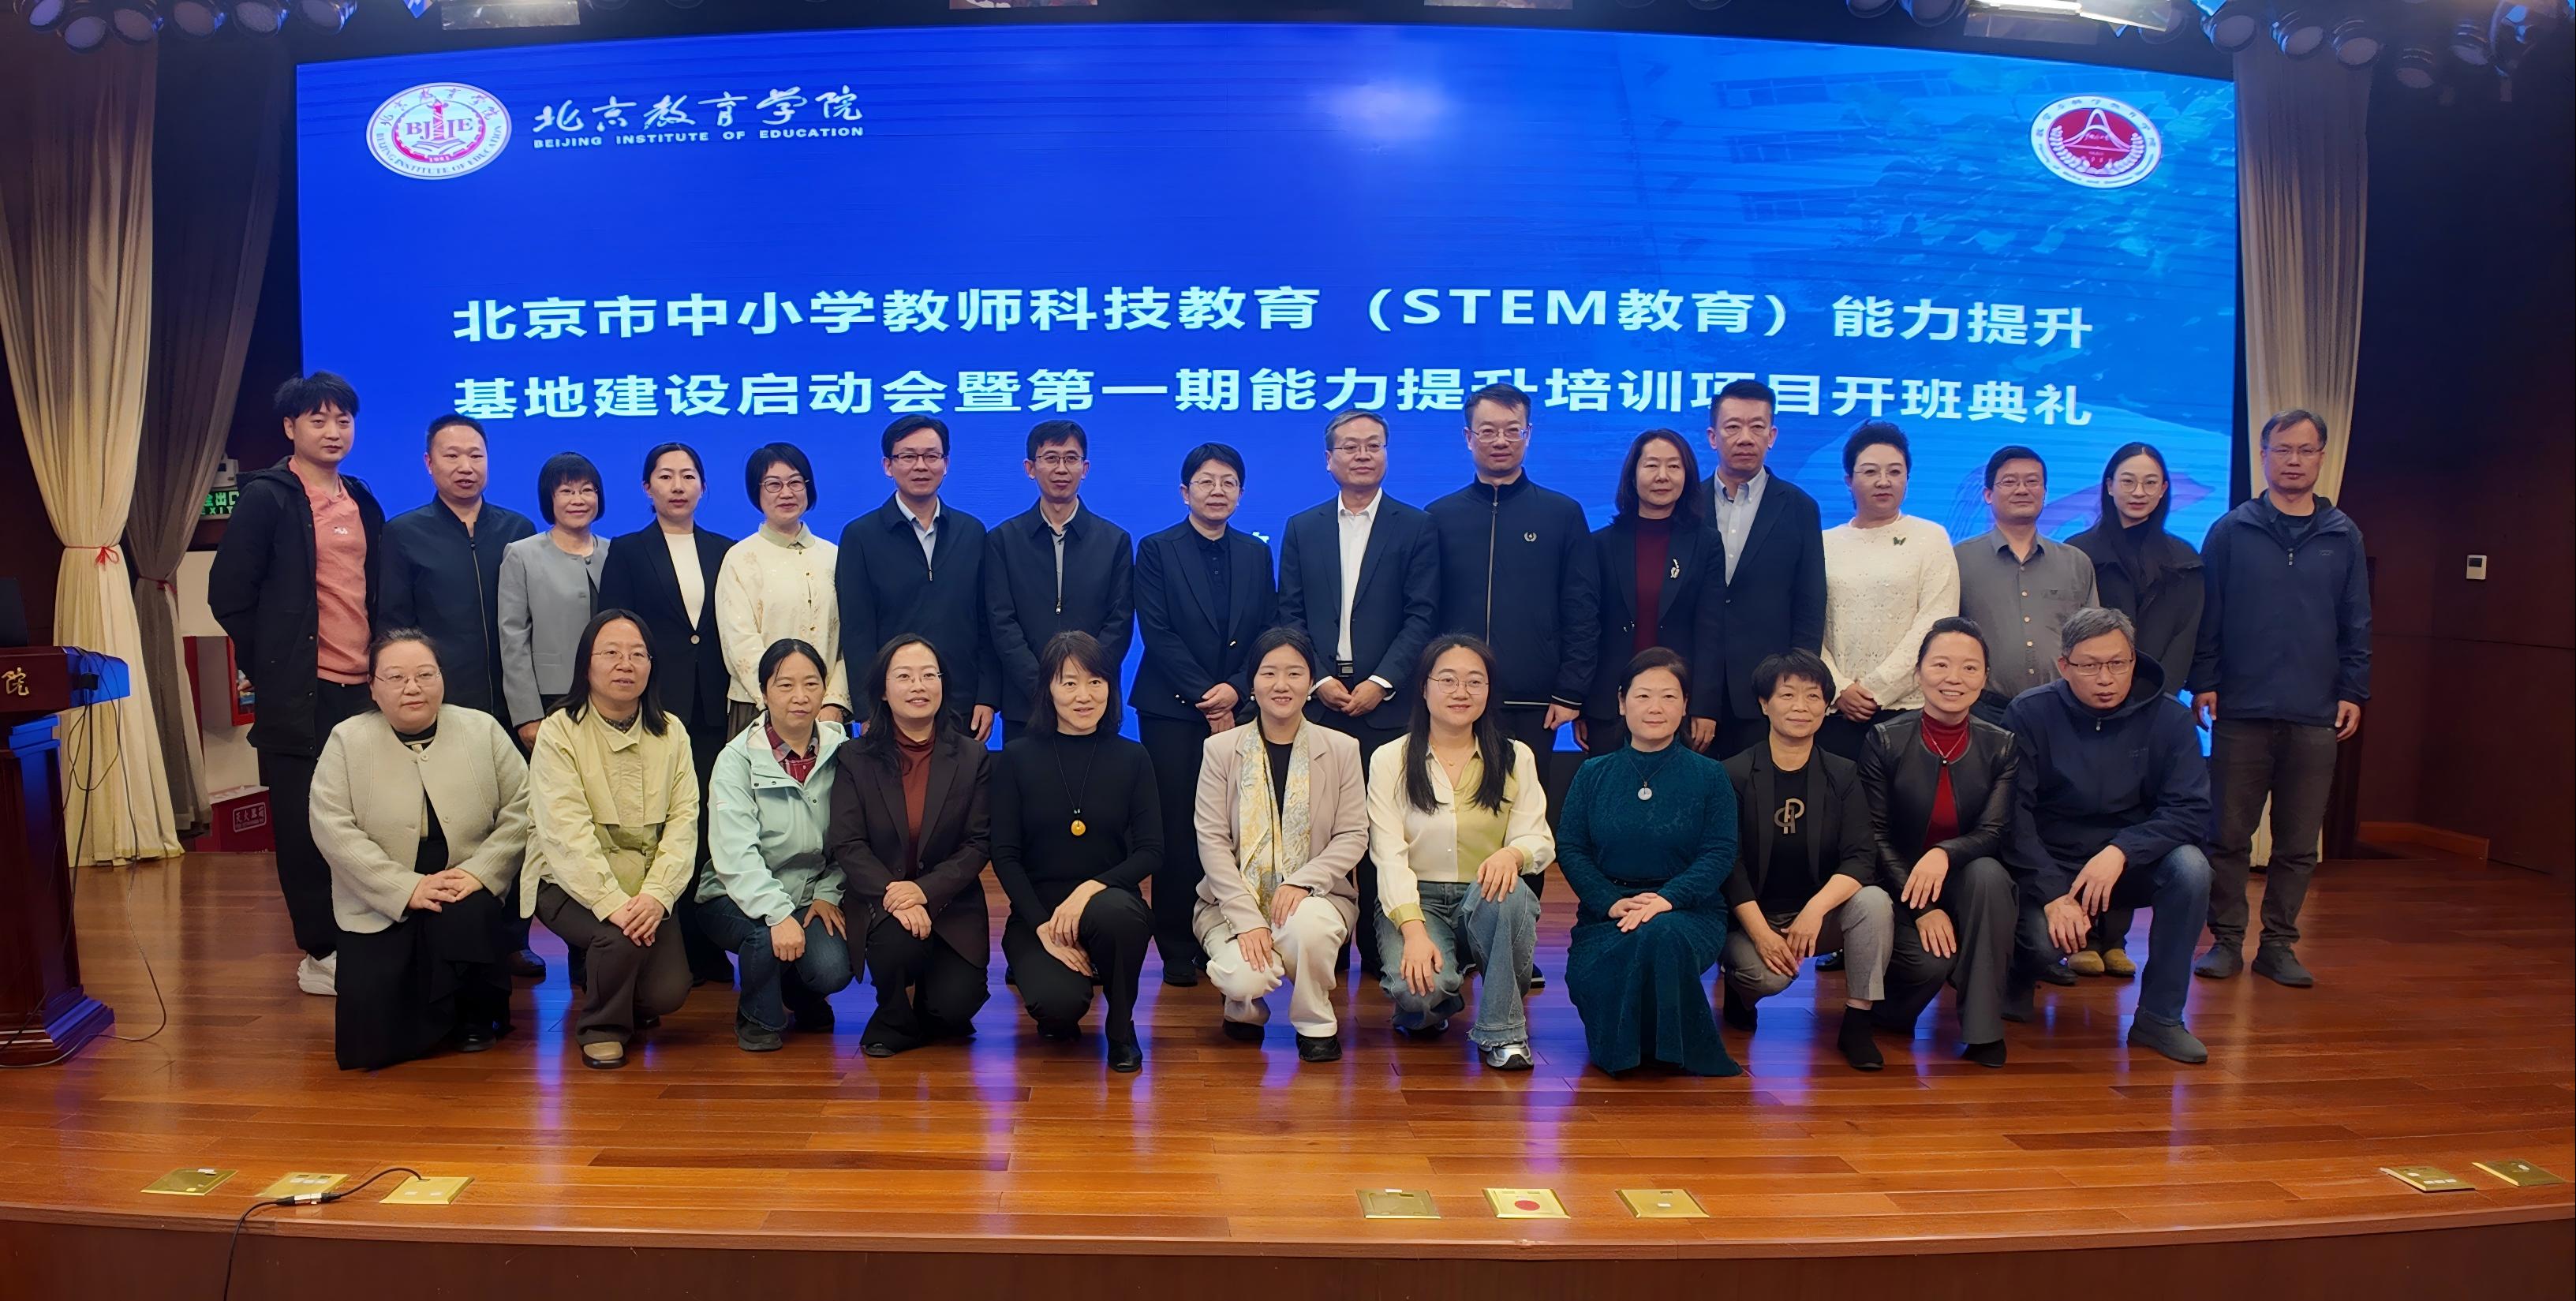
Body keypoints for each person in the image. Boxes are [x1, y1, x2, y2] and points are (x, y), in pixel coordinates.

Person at [208, 372, 387, 997]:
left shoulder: (361, 498)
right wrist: (278, 666)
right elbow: (229, 596)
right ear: (290, 427)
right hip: (301, 694)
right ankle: (320, 949)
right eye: (318, 419)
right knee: (305, 823)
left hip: (364, 690)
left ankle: (366, 935)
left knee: (366, 819)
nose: (333, 431)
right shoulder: (268, 498)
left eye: (343, 419)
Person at [2191, 409, 2370, 989]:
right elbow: (2208, 614)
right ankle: (2224, 941)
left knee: (2297, 842)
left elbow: (2356, 622)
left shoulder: (2342, 534)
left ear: (2321, 457)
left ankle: (2278, 945)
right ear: (2263, 455)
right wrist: (2205, 679)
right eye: (2282, 449)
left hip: (2315, 711)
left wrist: (2353, 689)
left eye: (2305, 450)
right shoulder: (2231, 530)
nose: (2293, 460)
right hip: (2240, 709)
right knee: (2227, 836)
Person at [1426, 383, 1596, 985]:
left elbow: (1581, 608)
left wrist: (1570, 689)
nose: (1499, 440)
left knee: (1522, 826)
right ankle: (1453, 938)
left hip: (1534, 702)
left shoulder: (1561, 513)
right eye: (1487, 430)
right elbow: (1424, 611)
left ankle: (1514, 946)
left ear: (1528, 434)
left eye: (1511, 429)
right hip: (1453, 703)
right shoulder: (1439, 516)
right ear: (1467, 436)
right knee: (1452, 820)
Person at [309, 630, 530, 1070]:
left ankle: (472, 1018)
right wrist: (404, 888)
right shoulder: (347, 740)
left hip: (462, 878)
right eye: (396, 677)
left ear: (442, 679)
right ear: (372, 687)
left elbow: (523, 808)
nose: (413, 687)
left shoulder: (482, 729)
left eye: (425, 675)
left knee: (470, 915)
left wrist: (481, 872)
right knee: (371, 1035)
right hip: (380, 891)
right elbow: (331, 826)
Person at [2005, 607, 2215, 1064]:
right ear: (2064, 665)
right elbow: (2012, 815)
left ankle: (2160, 1018)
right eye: (2089, 666)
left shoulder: (2170, 718)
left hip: (2127, 862)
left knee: (2191, 869)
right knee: (2043, 942)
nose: (2106, 678)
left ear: (2134, 660)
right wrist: (2053, 893)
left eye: (2118, 663)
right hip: (2051, 861)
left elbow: (2191, 809)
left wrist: (2122, 850)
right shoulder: (2029, 713)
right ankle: (2016, 975)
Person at [1273, 408, 1441, 978]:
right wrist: (1318, 678)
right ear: (1329, 459)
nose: (1362, 454)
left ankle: (1377, 948)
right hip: (1318, 703)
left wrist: (1380, 681)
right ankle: (1322, 943)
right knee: (1317, 828)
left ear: (1386, 454)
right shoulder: (1302, 527)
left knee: (1381, 830)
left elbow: (1422, 616)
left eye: (1373, 445)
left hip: (1386, 705)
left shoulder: (1415, 526)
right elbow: (1290, 613)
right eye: (1349, 446)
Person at [522, 610, 700, 1070]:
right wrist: (611, 903)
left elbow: (684, 822)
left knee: (667, 993)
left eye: (638, 654)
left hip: (645, 885)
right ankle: (601, 1027)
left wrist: (657, 896)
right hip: (566, 881)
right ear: (586, 664)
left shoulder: (672, 731)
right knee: (617, 938)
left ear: (651, 666)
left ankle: (611, 977)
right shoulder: (559, 730)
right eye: (611, 653)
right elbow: (565, 833)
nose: (626, 664)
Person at [1367, 635, 1551, 1071]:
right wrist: (1414, 932)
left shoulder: (1515, 757)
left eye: (1474, 681)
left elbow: (1539, 838)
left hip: (1486, 896)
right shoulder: (1390, 759)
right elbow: (1388, 856)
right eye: (1447, 680)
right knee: (1420, 993)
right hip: (1419, 899)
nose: (1461, 692)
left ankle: (1504, 1034)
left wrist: (1513, 855)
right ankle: (1439, 996)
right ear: (1424, 688)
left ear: (1488, 691)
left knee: (1510, 893)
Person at [1560, 647, 1742, 1078]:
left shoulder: (1710, 776)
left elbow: (1719, 851)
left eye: (1669, 697)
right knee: (1601, 965)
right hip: (1608, 910)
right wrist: (1608, 901)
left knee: (1660, 934)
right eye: (1643, 696)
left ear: (1685, 706)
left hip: (1688, 911)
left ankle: (1662, 1050)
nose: (1655, 707)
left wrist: (1667, 899)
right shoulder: (1592, 774)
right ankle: (1631, 1045)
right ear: (1622, 703)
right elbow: (1570, 847)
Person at [1134, 443, 1277, 984]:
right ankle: (1175, 943)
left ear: (1240, 493)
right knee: (1178, 827)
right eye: (1206, 482)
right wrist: (1206, 695)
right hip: (1172, 713)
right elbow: (1157, 631)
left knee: (1235, 828)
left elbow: (1267, 630)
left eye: (1228, 482)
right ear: (1184, 491)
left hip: (1241, 709)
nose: (1217, 491)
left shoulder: (1256, 553)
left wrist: (1236, 690)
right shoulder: (1156, 549)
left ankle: (1225, 932)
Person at [598, 442, 738, 988]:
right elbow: (614, 627)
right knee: (661, 822)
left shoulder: (725, 550)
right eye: (665, 476)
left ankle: (708, 944)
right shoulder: (628, 550)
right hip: (657, 704)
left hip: (714, 705)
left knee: (706, 822)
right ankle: (666, 941)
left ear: (703, 486)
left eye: (688, 475)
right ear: (646, 487)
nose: (677, 486)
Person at [1193, 627, 1367, 1063]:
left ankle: (1315, 1020)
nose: (1281, 684)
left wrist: (1303, 882)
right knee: (1244, 978)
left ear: (1311, 683)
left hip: (1317, 898)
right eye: (1269, 673)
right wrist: (1247, 918)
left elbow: (1353, 834)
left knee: (1307, 925)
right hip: (1231, 901)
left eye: (1294, 673)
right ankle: (1243, 1007)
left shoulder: (1342, 748)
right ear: (1252, 683)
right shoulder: (1220, 750)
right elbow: (1212, 841)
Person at [990, 631, 1160, 1072]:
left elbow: (1151, 851)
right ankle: (1059, 987)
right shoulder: (1015, 758)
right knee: (1057, 1007)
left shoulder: (1134, 758)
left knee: (1118, 915)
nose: (1084, 696)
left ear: (1110, 687)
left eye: (1095, 682)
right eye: (1069, 683)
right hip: (1041, 914)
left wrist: (1090, 889)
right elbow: (1004, 855)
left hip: (1109, 902)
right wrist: (1043, 926)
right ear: (1048, 689)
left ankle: (1121, 1028)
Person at [1716, 649, 1890, 1071]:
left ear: (1826, 706)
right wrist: (1762, 934)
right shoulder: (1732, 773)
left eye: (1813, 696)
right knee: (1768, 977)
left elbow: (1860, 857)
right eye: (1787, 694)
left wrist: (1815, 910)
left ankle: (1858, 1022)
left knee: (1874, 902)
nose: (1801, 706)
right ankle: (1741, 991)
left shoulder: (1843, 774)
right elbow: (1728, 864)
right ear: (1764, 704)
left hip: (1817, 918)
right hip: (1752, 917)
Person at [2065, 442, 2201, 979]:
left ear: (2164, 489)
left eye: (2149, 482)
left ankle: (2115, 937)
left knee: (2136, 811)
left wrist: (2155, 690)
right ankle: (2083, 931)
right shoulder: (2080, 553)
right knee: (2085, 811)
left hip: (2155, 703)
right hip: (2090, 701)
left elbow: (2188, 633)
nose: (2138, 492)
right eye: (2127, 480)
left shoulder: (2186, 559)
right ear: (2108, 485)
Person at [1858, 619, 2019, 1067]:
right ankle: (1890, 1010)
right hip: (1896, 883)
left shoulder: (2002, 745)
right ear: (1918, 673)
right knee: (1930, 965)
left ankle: (1984, 1030)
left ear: (1985, 678)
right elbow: (1873, 835)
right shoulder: (1885, 739)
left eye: (1970, 668)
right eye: (1941, 665)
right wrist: (1923, 907)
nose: (1955, 678)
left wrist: (1943, 853)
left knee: (1990, 875)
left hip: (1964, 880)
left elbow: (1993, 832)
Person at [828, 634, 995, 1057]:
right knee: (897, 945)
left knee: (953, 1011)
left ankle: (927, 1002)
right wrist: (896, 894)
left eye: (928, 675)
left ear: (943, 683)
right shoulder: (855, 757)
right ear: (884, 691)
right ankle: (893, 1014)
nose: (918, 686)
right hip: (883, 897)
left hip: (951, 901)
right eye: (904, 676)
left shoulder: (973, 756)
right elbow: (849, 843)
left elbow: (978, 843)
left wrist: (924, 891)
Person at [696, 639, 855, 1053]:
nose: (800, 696)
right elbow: (736, 855)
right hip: (733, 894)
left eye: (811, 684)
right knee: (764, 936)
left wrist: (828, 893)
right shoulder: (736, 759)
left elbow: (853, 837)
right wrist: (778, 913)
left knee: (832, 969)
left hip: (811, 892)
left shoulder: (843, 750)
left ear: (825, 690)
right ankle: (756, 1017)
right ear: (764, 692)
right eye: (785, 685)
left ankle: (800, 992)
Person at [836, 415, 999, 740]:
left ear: (946, 463)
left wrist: (988, 696)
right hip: (892, 705)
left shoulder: (971, 532)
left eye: (931, 456)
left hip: (961, 702)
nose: (920, 466)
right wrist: (867, 710)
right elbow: (857, 632)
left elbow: (987, 621)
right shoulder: (861, 536)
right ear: (888, 465)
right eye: (908, 456)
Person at [374, 414, 535, 727]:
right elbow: (394, 628)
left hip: (516, 707)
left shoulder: (518, 529)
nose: (466, 467)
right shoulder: (403, 533)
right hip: (441, 703)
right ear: (429, 462)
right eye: (452, 456)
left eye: (476, 456)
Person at [985, 420, 1136, 735]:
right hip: (1026, 704)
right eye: (1051, 458)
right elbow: (1002, 623)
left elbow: (1119, 622)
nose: (1061, 469)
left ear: (1085, 468)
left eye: (1071, 458)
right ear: (1030, 468)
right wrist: (1044, 688)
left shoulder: (1114, 541)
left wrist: (1083, 685)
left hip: (1093, 705)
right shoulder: (1003, 540)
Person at [1703, 379, 1828, 758]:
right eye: (1732, 427)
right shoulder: (1686, 502)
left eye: (1757, 427)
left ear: (1772, 436)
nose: (1745, 437)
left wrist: (1797, 688)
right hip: (1695, 690)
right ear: (1713, 437)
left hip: (1767, 690)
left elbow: (1809, 602)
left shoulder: (1800, 507)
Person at [1819, 421, 1958, 759]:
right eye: (1870, 472)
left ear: (1907, 478)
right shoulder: (1824, 543)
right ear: (1849, 480)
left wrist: (1874, 689)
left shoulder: (1931, 537)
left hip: (1909, 710)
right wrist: (1839, 688)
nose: (1883, 481)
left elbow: (1935, 622)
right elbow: (1809, 625)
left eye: (1895, 471)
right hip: (1836, 710)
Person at [1582, 429, 1725, 757]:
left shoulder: (1706, 544)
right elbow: (1587, 627)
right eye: (1651, 465)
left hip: (1679, 703)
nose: (1662, 476)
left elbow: (1712, 630)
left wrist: (1704, 706)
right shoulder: (1600, 544)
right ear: (1632, 475)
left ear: (1688, 476)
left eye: (1674, 466)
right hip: (1609, 704)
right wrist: (1584, 703)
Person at [716, 443, 851, 737]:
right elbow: (739, 642)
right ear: (757, 492)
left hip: (825, 712)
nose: (786, 493)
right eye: (773, 484)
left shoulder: (835, 556)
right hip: (759, 709)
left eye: (795, 482)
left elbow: (851, 639)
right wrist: (780, 700)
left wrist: (835, 702)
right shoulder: (740, 558)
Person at [1953, 447, 2096, 723]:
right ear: (1988, 494)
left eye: (2032, 481)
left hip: (2061, 711)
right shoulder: (1960, 560)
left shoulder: (2075, 562)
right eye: (2009, 482)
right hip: (1982, 711)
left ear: (2045, 492)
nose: (2022, 490)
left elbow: (2091, 641)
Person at [499, 452, 613, 742]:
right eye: (566, 491)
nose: (578, 500)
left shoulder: (616, 552)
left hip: (612, 692)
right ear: (548, 499)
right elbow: (513, 639)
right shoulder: (521, 554)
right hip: (551, 696)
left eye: (587, 490)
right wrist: (527, 715)